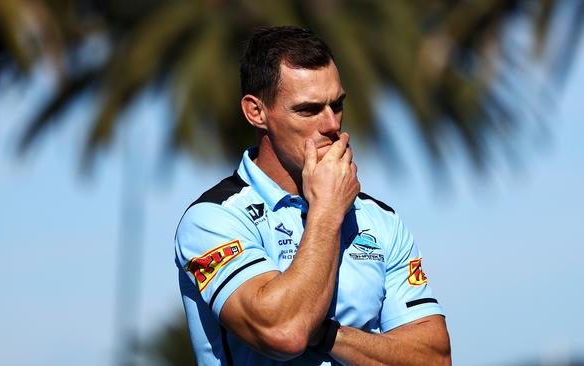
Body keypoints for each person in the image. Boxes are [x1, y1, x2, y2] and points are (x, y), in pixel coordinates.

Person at [174, 26, 451, 365]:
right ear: (256, 112)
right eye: (308, 110)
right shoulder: (213, 218)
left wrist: (325, 334)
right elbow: (284, 331)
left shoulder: (380, 220)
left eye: (337, 105)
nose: (332, 124)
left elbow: (434, 357)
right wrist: (327, 211)